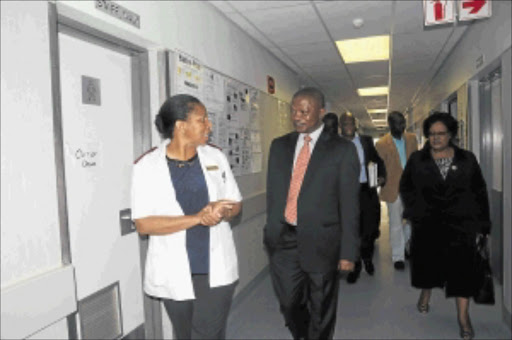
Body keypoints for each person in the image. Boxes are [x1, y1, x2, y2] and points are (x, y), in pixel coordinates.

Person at [131, 94, 242, 339]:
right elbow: (143, 224)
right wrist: (198, 218)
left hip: (214, 267)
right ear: (181, 126)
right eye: (202, 120)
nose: (209, 125)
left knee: (208, 334)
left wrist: (222, 210)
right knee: (184, 334)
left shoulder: (215, 157)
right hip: (173, 268)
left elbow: (236, 204)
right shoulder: (146, 167)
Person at [264, 87, 360, 340]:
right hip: (284, 240)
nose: (298, 116)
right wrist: (271, 232)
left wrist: (348, 252)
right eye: (294, 110)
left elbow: (350, 205)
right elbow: (274, 194)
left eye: (305, 112)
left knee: (321, 307)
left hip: (322, 241)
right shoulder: (279, 146)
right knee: (288, 303)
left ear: (321, 112)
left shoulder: (342, 149)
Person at [399, 112, 490, 340]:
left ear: (451, 135)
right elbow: (406, 188)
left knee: (463, 272)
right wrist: (414, 212)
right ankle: (426, 293)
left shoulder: (467, 159)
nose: (436, 138)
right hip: (428, 225)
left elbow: (479, 191)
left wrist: (482, 225)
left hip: (461, 225)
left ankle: (463, 318)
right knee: (429, 266)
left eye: (441, 134)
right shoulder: (417, 160)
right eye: (431, 134)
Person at [340, 112, 386, 284]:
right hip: (346, 194)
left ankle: (367, 258)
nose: (349, 125)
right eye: (345, 123)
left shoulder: (366, 141)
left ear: (355, 125)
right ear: (340, 126)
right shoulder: (335, 145)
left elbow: (378, 161)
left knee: (369, 229)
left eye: (351, 122)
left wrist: (381, 176)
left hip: (366, 191)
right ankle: (356, 265)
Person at [375, 111, 418, 270]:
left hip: (412, 188)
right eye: (398, 123)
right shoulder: (381, 143)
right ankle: (398, 257)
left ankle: (406, 245)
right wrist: (379, 179)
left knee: (411, 221)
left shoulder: (412, 139)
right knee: (395, 223)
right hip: (393, 188)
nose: (401, 126)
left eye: (403, 123)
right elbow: (380, 166)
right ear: (390, 124)